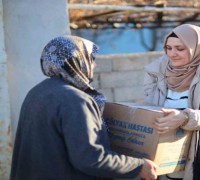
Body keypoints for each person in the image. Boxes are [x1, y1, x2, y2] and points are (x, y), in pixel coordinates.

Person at [10, 35, 158, 180]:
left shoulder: (37, 92)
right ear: (77, 61)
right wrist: (138, 166)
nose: (94, 65)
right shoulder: (76, 100)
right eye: (91, 59)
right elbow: (90, 158)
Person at [143, 24, 200, 180]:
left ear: (197, 47)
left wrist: (185, 118)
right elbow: (149, 106)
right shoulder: (156, 71)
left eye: (180, 49)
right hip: (164, 156)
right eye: (169, 47)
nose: (172, 54)